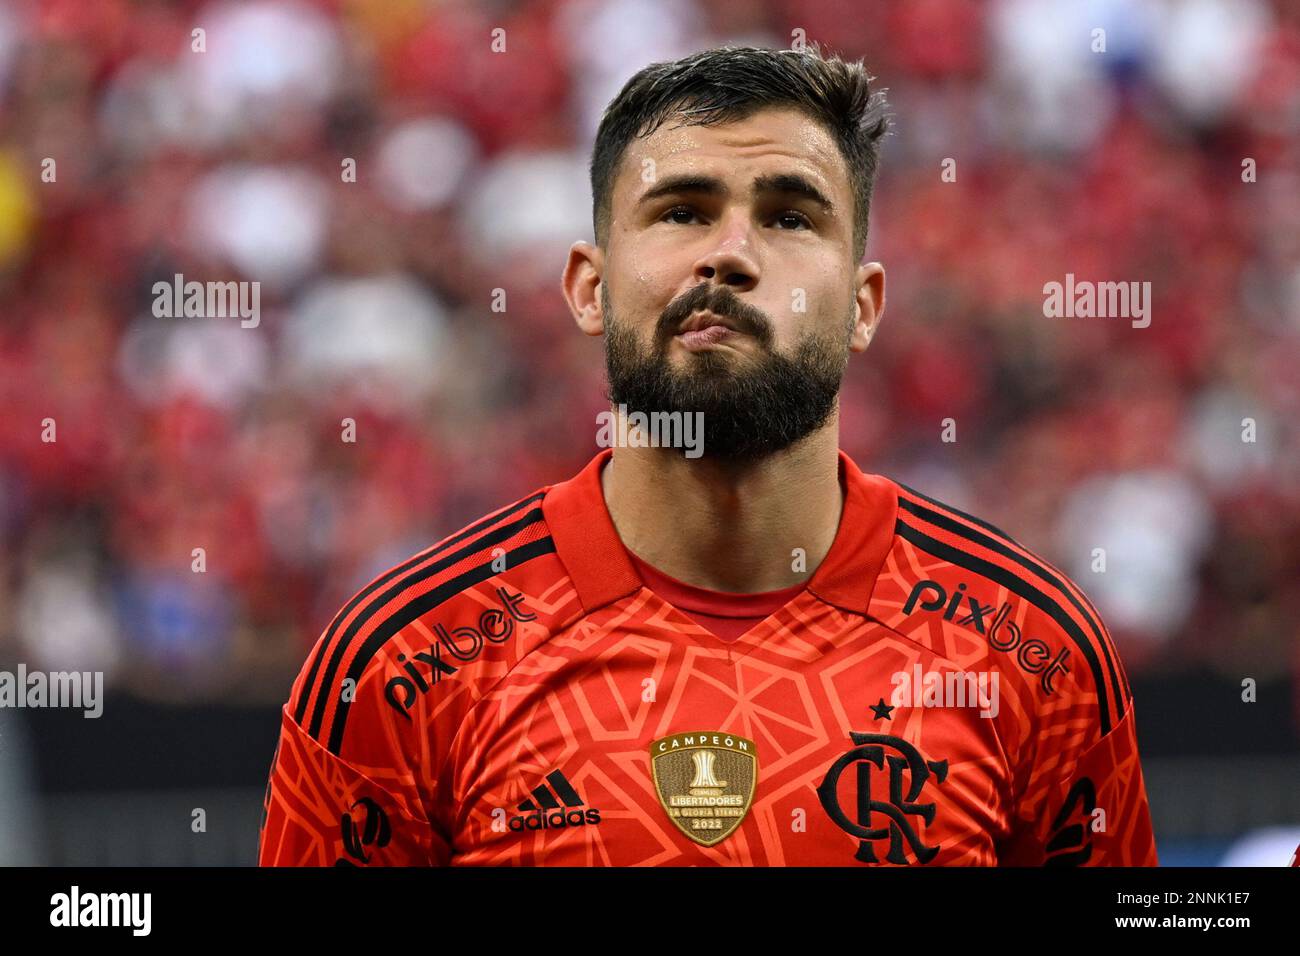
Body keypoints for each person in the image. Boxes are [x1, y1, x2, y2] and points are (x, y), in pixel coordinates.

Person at [258, 44, 1157, 866]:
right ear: (591, 287)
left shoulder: (1034, 655)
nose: (729, 255)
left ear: (864, 305)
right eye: (683, 211)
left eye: (791, 217)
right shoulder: (401, 667)